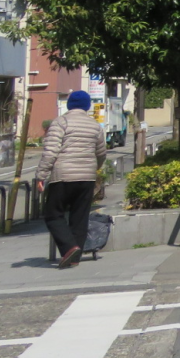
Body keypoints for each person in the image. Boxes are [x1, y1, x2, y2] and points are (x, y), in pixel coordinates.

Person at [35, 90, 106, 269]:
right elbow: (101, 153)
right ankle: (75, 257)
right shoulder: (95, 126)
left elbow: (51, 152)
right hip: (87, 177)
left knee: (53, 214)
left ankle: (69, 248)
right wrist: (93, 168)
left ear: (69, 105)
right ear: (87, 106)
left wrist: (41, 175)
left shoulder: (61, 122)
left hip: (63, 177)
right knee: (79, 217)